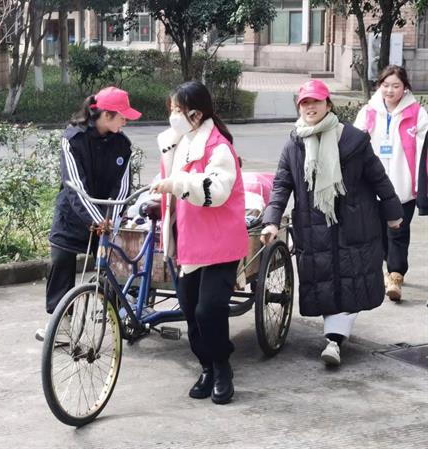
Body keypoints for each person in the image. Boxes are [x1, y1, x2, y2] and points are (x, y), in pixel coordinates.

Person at [261, 79, 403, 366]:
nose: (310, 107)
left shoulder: (354, 140)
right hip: (314, 227)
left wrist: (393, 212)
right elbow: (281, 185)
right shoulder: (294, 144)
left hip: (355, 225)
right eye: (304, 102)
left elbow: (378, 178)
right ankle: (335, 338)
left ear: (328, 104)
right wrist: (272, 220)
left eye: (315, 101)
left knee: (352, 283)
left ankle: (334, 340)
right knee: (326, 282)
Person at [150, 81, 248, 404]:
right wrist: (162, 189)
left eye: (178, 109)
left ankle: (222, 368)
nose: (173, 115)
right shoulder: (177, 143)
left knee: (208, 310)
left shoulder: (218, 147)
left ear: (196, 113)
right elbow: (170, 183)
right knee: (191, 311)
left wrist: (177, 184)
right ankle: (206, 366)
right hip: (188, 242)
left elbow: (216, 191)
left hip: (220, 243)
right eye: (172, 108)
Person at [35, 86, 141, 341]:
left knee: (114, 266)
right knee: (60, 262)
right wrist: (97, 219)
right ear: (106, 115)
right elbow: (74, 186)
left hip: (106, 217)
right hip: (73, 214)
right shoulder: (73, 139)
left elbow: (122, 188)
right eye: (122, 117)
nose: (126, 122)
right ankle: (61, 325)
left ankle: (122, 314)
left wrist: (110, 220)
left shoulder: (122, 145)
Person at [353, 65, 428, 301]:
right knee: (378, 233)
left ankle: (396, 274)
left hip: (403, 185)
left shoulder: (417, 113)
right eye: (386, 85)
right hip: (373, 186)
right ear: (379, 86)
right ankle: (387, 267)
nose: (390, 90)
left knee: (399, 231)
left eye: (396, 86)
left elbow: (424, 149)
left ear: (405, 87)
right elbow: (354, 143)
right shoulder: (368, 111)